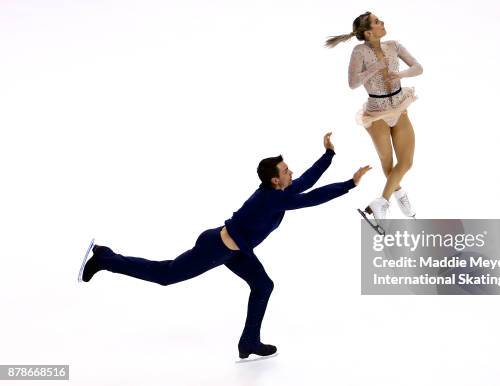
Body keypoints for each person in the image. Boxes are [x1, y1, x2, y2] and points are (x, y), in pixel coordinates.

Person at [77, 132, 371, 361]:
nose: (290, 172)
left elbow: (305, 181)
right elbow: (312, 197)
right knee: (166, 275)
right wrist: (350, 184)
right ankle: (106, 258)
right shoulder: (273, 197)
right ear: (274, 180)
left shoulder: (277, 191)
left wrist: (328, 154)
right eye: (285, 170)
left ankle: (249, 342)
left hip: (237, 251)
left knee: (263, 286)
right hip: (215, 248)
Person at [325, 12, 423, 227]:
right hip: (376, 112)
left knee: (406, 163)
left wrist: (401, 75)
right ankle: (394, 197)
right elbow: (352, 83)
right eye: (378, 22)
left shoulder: (394, 46)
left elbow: (418, 68)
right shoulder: (359, 51)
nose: (383, 23)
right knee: (388, 165)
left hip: (399, 106)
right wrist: (374, 68)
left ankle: (381, 202)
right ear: (369, 32)